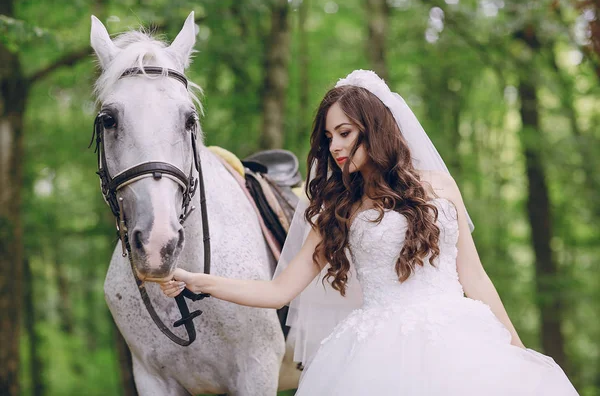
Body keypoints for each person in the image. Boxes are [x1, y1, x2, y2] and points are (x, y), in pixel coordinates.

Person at [160, 70, 578, 395]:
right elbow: (277, 293)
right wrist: (198, 280)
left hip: (462, 341)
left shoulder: (441, 187)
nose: (336, 146)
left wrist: (516, 349)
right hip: (376, 356)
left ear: (375, 128)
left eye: (345, 132)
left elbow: (475, 278)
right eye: (329, 137)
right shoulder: (337, 210)